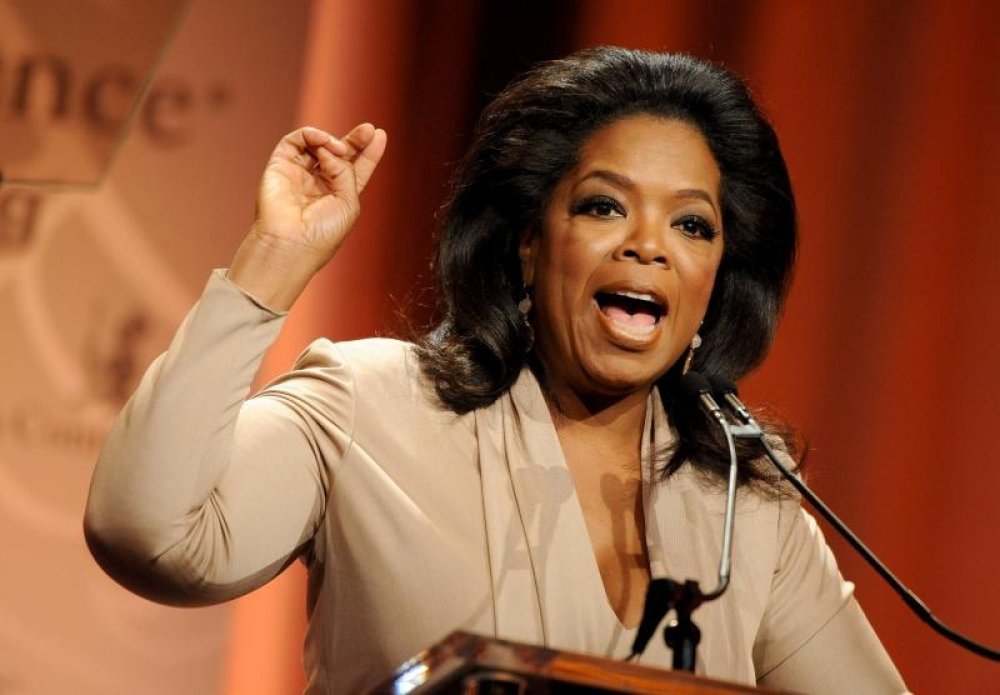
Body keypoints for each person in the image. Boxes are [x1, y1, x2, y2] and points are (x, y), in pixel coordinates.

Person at [84, 47, 907, 693]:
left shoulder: (744, 495)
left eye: (692, 224)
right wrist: (272, 260)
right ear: (527, 242)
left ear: (719, 278)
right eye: (604, 206)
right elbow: (148, 533)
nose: (648, 245)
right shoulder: (369, 405)